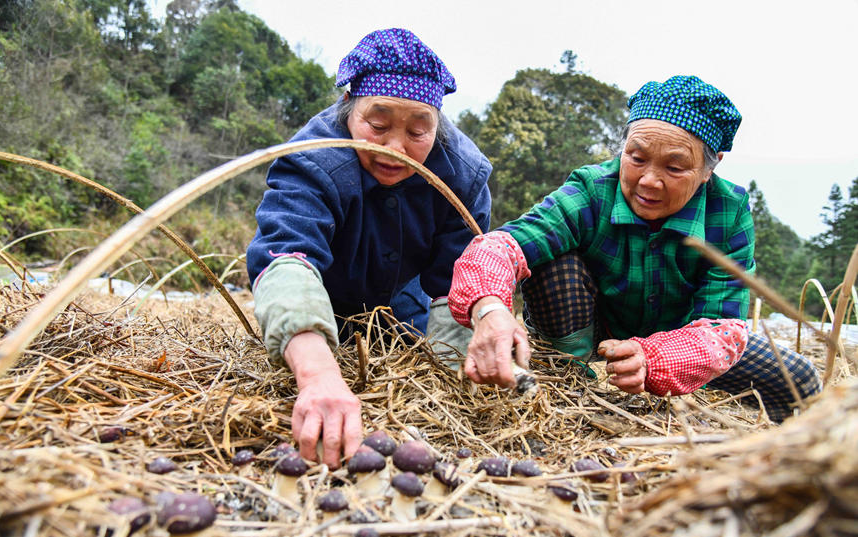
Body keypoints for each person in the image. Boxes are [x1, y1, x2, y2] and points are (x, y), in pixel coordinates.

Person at [448, 75, 821, 423]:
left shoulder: (727, 212)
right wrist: (490, 308)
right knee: (554, 263)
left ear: (710, 168)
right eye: (636, 158)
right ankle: (568, 381)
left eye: (675, 168)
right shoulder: (593, 189)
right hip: (590, 323)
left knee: (798, 380)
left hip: (683, 337)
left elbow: (723, 328)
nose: (649, 181)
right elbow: (501, 245)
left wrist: (657, 358)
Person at [247, 28, 491, 468]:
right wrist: (317, 373)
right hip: (319, 293)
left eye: (418, 131)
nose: (396, 149)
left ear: (437, 124)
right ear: (348, 107)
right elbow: (285, 257)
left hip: (401, 303)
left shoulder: (462, 173)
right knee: (309, 342)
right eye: (377, 126)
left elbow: (456, 282)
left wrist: (456, 385)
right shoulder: (312, 157)